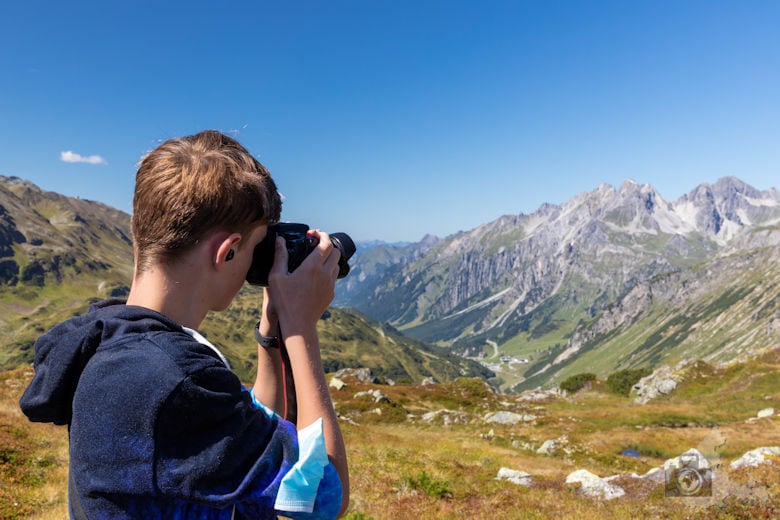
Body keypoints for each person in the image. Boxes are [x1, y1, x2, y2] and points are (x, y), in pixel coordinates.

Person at [19, 130, 349, 519]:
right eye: (257, 246)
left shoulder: (120, 343)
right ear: (227, 252)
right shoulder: (169, 379)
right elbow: (321, 497)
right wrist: (300, 327)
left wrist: (272, 334)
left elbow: (243, 428)